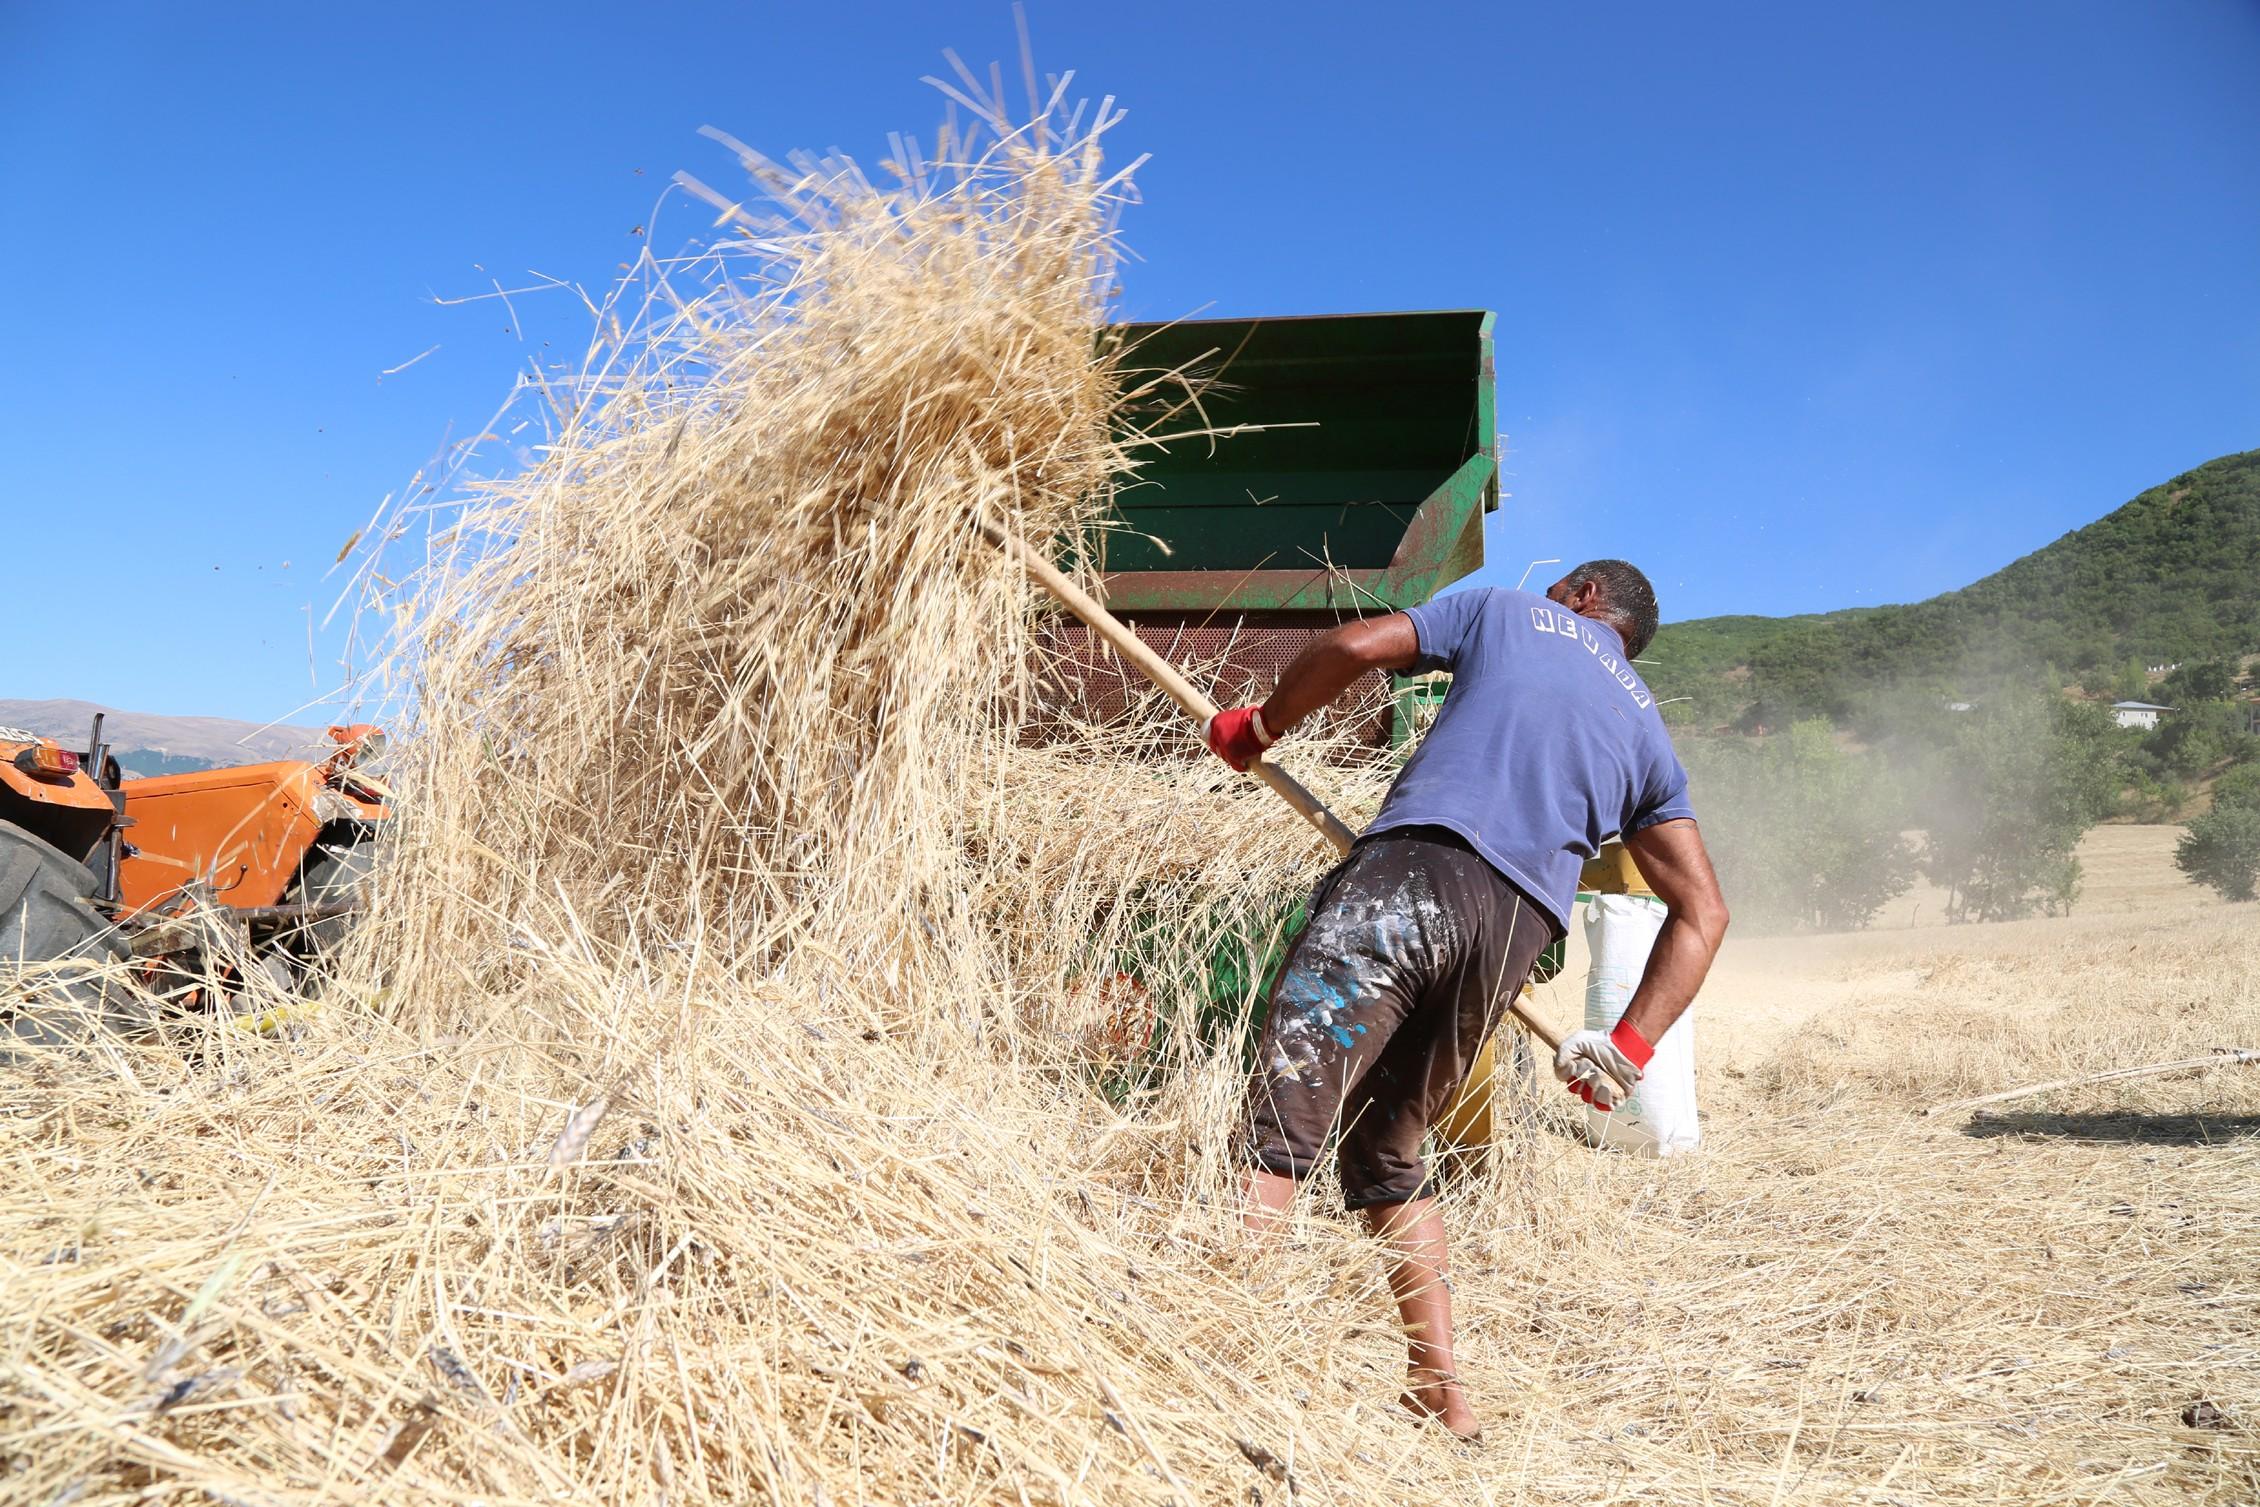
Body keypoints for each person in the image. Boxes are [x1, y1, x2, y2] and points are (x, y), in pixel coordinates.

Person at [1203, 560, 1730, 1442]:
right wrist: (1628, 1049)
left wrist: (1259, 725)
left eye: (1562, 582)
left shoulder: (1508, 611)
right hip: (1513, 936)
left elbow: (1352, 644)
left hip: (1417, 871)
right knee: (1387, 1151)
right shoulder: (1647, 730)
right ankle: (1440, 1393)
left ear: (1585, 595)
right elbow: (1704, 911)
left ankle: (1207, 1353)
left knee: (1284, 1114)